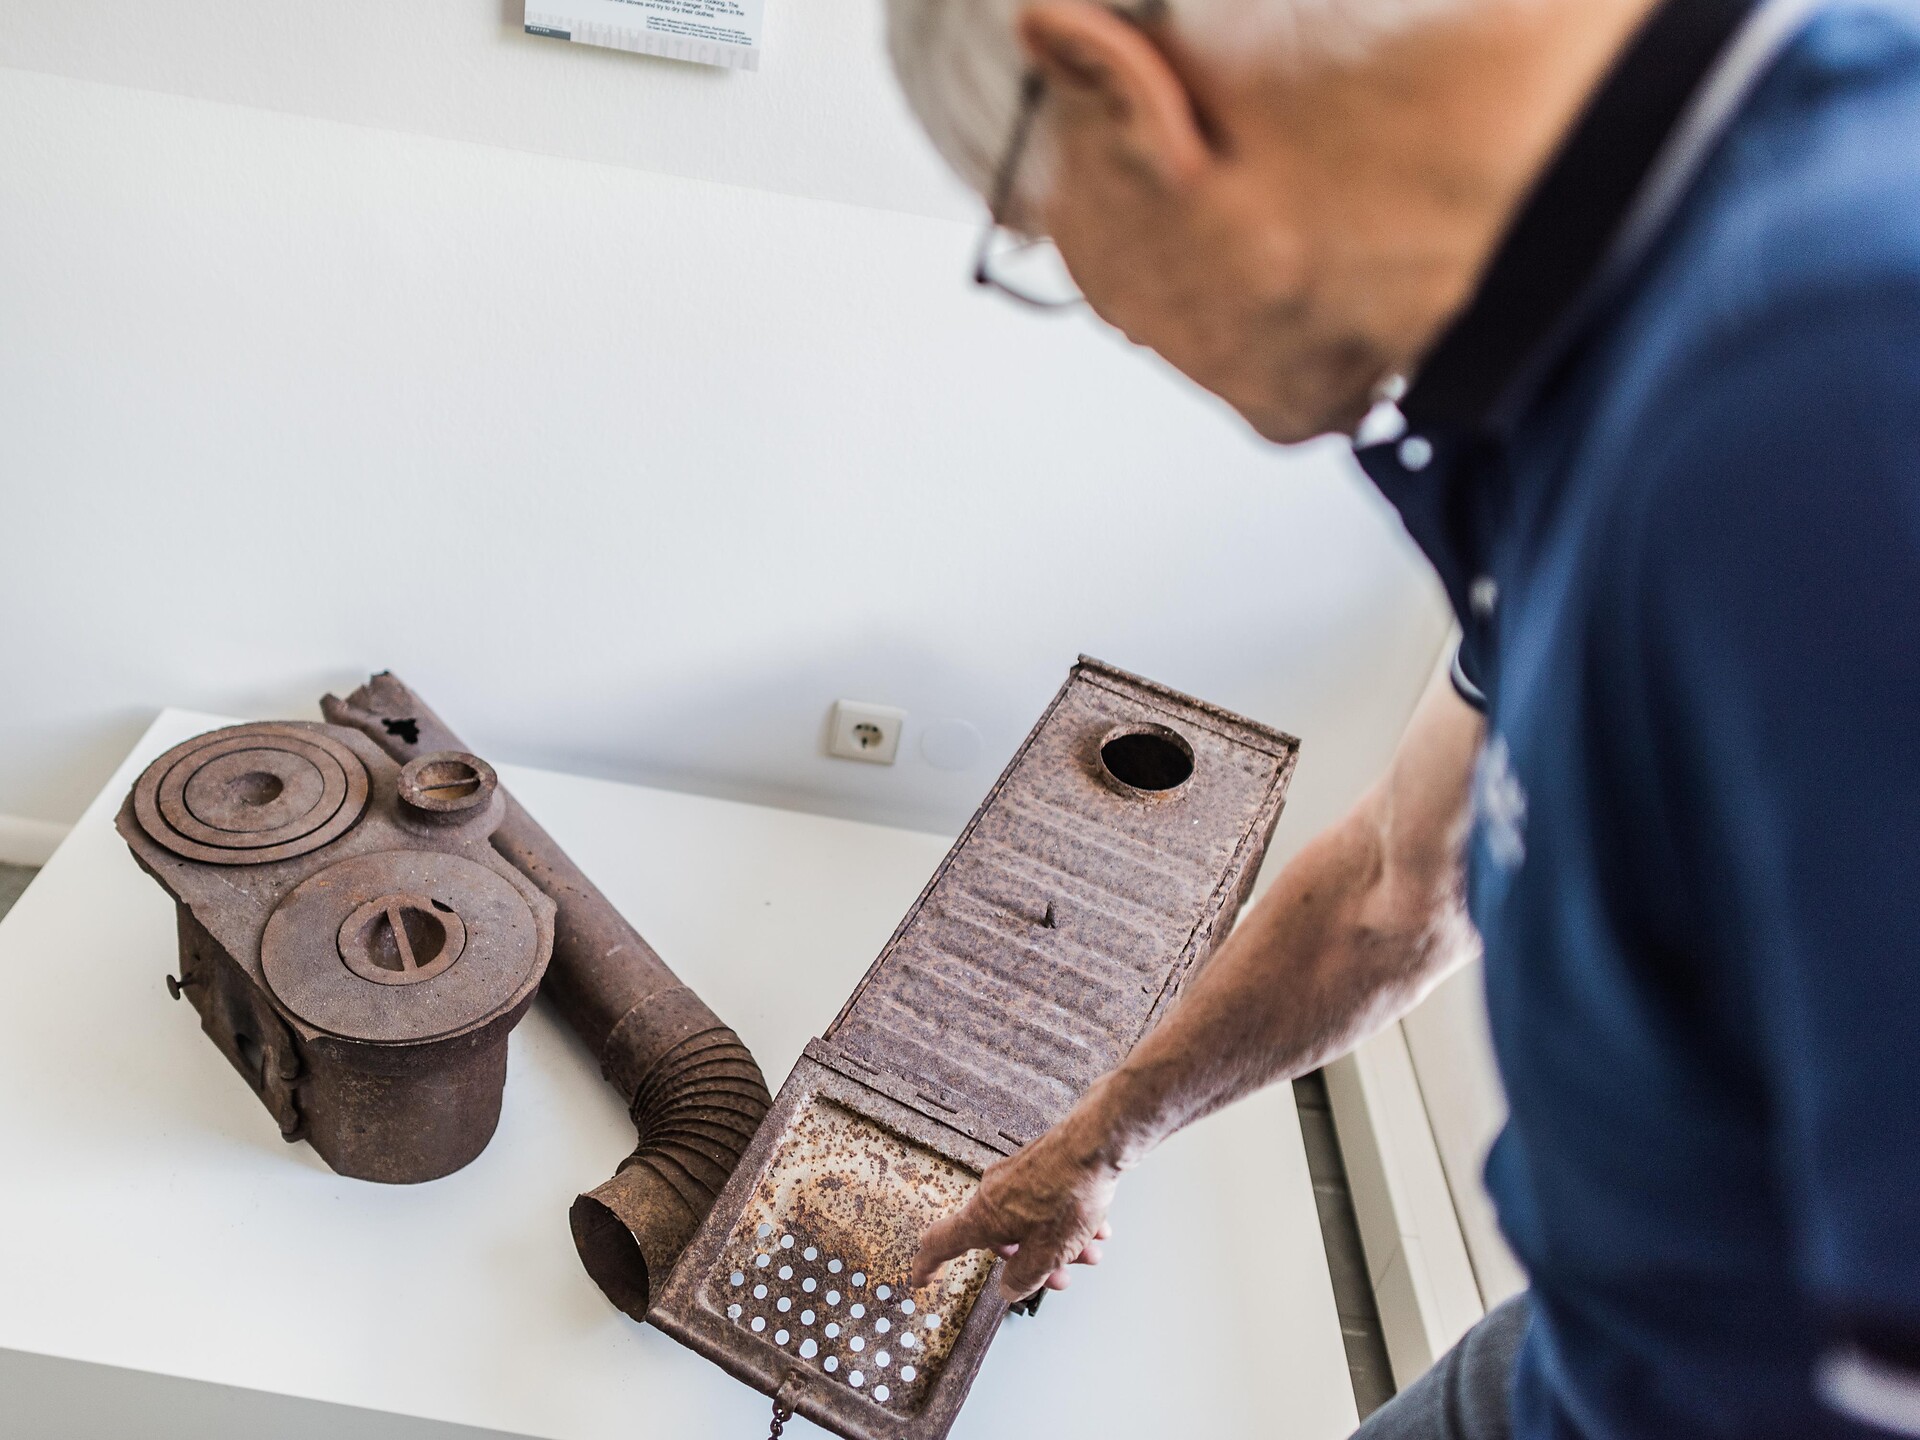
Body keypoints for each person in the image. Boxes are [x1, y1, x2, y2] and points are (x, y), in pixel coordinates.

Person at [886, 0, 1920, 1435]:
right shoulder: (1600, 360)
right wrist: (1101, 1140)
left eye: (1048, 250)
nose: (1113, 315)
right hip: (1577, 1352)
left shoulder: (1830, 390)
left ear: (1112, 85)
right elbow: (1395, 886)